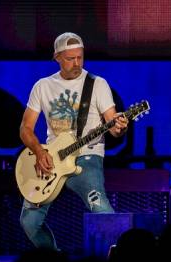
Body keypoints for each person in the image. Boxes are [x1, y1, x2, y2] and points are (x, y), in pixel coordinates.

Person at [19, 32, 128, 249]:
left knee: (102, 212)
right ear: (57, 57)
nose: (76, 63)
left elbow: (113, 126)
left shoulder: (97, 84)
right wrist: (40, 153)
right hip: (50, 160)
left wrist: (119, 128)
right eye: (70, 58)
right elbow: (25, 128)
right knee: (29, 222)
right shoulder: (42, 86)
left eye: (80, 57)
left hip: (87, 157)